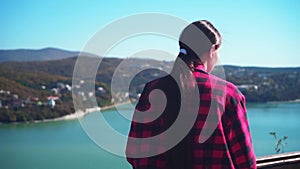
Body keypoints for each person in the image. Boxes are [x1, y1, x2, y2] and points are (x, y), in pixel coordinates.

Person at [126, 20, 257, 169]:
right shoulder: (228, 94)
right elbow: (245, 162)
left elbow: (134, 153)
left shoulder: (151, 90)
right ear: (212, 50)